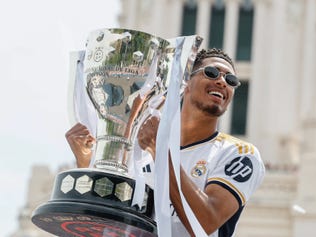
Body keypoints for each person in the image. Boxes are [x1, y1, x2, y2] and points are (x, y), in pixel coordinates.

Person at [66, 48, 265, 237]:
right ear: (185, 80)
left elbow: (205, 222)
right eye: (212, 72)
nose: (222, 81)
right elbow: (107, 217)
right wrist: (86, 163)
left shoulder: (238, 153)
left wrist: (160, 151)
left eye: (231, 80)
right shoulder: (138, 149)